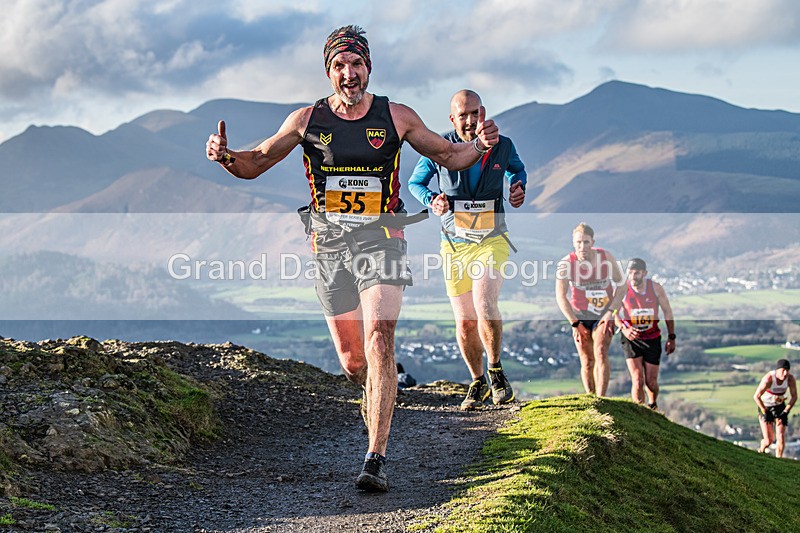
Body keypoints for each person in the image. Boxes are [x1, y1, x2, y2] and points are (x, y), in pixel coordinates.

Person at [205, 25, 499, 492]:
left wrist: (480, 147)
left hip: (382, 238)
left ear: (369, 67)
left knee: (380, 336)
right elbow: (256, 160)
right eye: (339, 66)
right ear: (329, 72)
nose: (349, 73)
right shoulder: (307, 120)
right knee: (353, 361)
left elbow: (448, 154)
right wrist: (225, 156)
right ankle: (378, 390)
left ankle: (374, 457)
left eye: (356, 63)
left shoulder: (396, 117)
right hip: (329, 246)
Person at [408, 89, 526, 410]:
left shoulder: (502, 145)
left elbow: (518, 170)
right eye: (464, 115)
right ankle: (477, 382)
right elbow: (415, 183)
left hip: (492, 239)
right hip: (454, 244)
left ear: (483, 112)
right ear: (452, 119)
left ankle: (496, 371)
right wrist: (432, 200)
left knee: (484, 302)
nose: (471, 120)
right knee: (464, 322)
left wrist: (518, 187)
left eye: (475, 113)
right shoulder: (439, 147)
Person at [555, 223, 625, 397]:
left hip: (603, 313)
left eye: (586, 242)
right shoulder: (566, 263)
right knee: (587, 360)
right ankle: (591, 397)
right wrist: (574, 323)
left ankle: (601, 398)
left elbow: (622, 285)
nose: (582, 246)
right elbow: (561, 296)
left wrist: (611, 312)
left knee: (600, 351)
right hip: (580, 316)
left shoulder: (606, 257)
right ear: (573, 243)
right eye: (578, 242)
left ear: (592, 242)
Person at [614, 258, 676, 410]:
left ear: (644, 273)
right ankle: (639, 412)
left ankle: (652, 404)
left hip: (652, 337)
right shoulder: (622, 289)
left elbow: (667, 312)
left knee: (651, 382)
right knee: (637, 379)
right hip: (631, 338)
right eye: (630, 273)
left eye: (636, 273)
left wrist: (671, 337)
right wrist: (624, 328)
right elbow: (613, 313)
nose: (633, 277)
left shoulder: (656, 288)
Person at [754, 359, 796, 458]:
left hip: (780, 407)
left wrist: (786, 411)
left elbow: (794, 396)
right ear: (777, 370)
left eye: (787, 370)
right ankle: (761, 450)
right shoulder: (769, 379)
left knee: (780, 436)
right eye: (783, 370)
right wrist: (764, 411)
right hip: (765, 407)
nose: (785, 373)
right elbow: (756, 396)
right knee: (769, 440)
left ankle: (779, 459)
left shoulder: (790, 379)